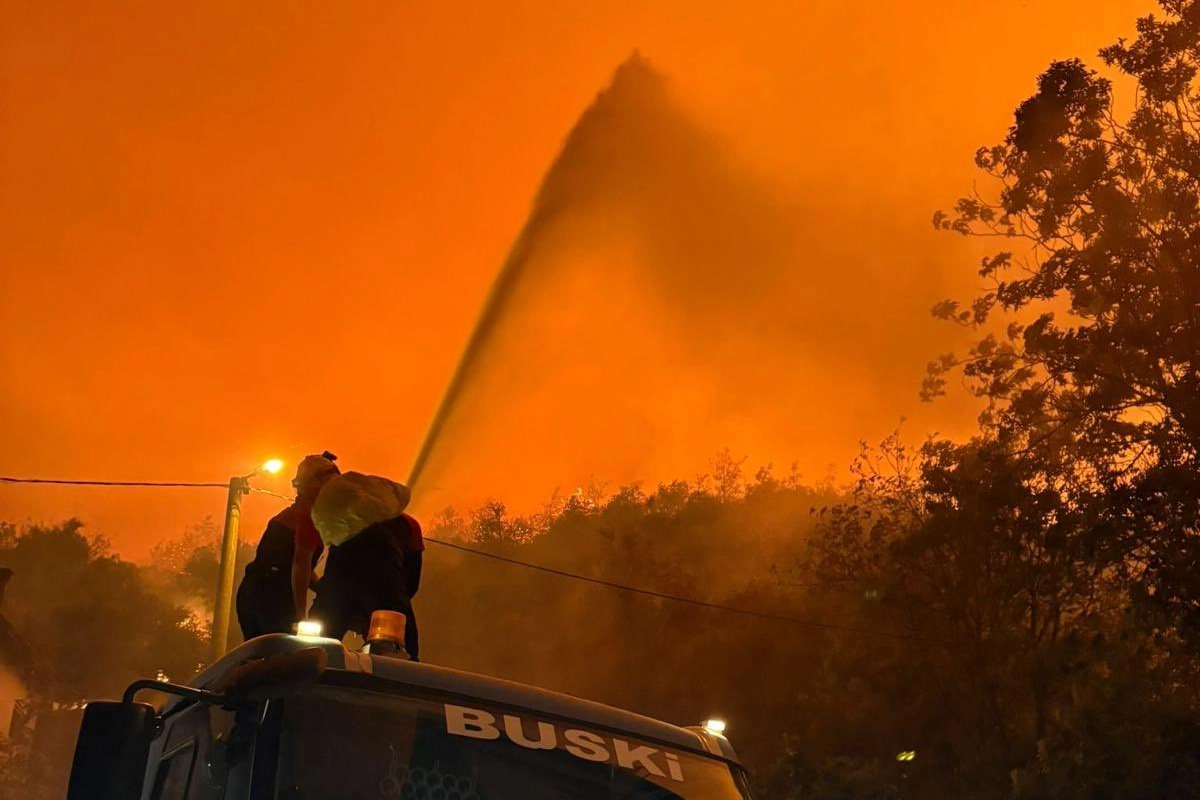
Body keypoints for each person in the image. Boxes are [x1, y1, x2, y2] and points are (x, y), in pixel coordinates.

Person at [308, 473, 425, 659]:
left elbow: (331, 577)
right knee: (406, 653)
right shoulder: (409, 526)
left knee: (314, 649)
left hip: (338, 599)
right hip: (387, 599)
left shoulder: (346, 524)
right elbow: (412, 580)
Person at [235, 452, 340, 640]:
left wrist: (323, 589)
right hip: (272, 598)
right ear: (317, 485)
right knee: (282, 654)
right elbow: (300, 565)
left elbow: (298, 564)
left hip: (254, 593)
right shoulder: (309, 517)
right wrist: (301, 616)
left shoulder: (293, 515)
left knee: (261, 655)